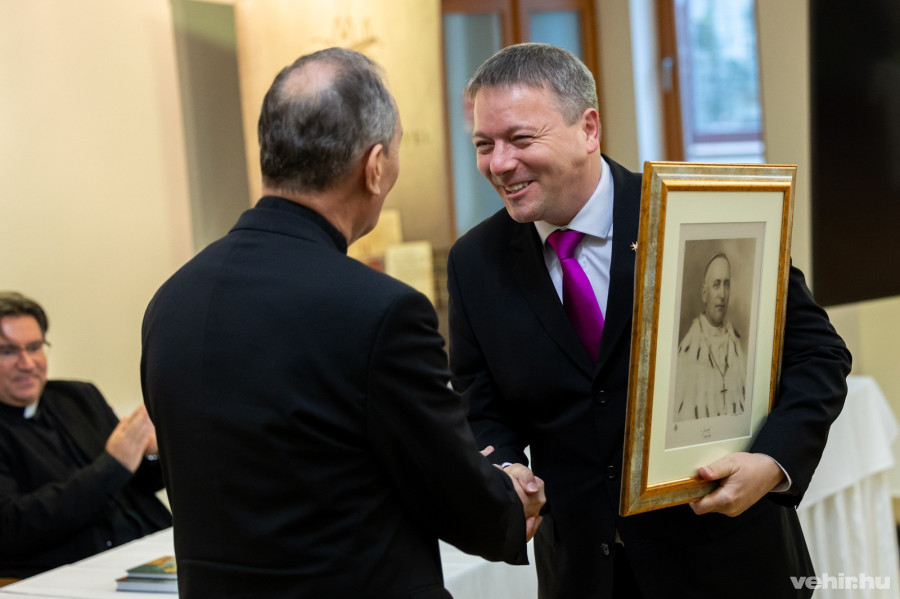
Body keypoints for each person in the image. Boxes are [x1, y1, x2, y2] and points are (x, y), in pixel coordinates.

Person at [447, 43, 851, 599]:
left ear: (588, 129)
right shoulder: (475, 262)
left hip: (728, 564)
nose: (498, 164)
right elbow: (480, 403)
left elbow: (818, 353)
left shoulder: (695, 213)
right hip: (586, 576)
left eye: (520, 139)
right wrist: (508, 469)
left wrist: (772, 460)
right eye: (483, 145)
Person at [141, 47, 544, 598]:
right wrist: (511, 499)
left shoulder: (171, 301)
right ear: (374, 167)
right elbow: (459, 500)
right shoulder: (380, 312)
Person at [0, 292, 171, 579]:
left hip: (154, 547)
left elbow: (141, 480)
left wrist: (152, 453)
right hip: (72, 571)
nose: (27, 363)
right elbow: (11, 526)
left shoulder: (78, 396)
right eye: (7, 352)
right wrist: (110, 467)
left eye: (34, 347)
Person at [674, 253, 747, 422]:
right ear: (704, 294)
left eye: (726, 284)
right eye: (716, 284)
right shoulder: (688, 350)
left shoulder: (736, 345)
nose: (722, 294)